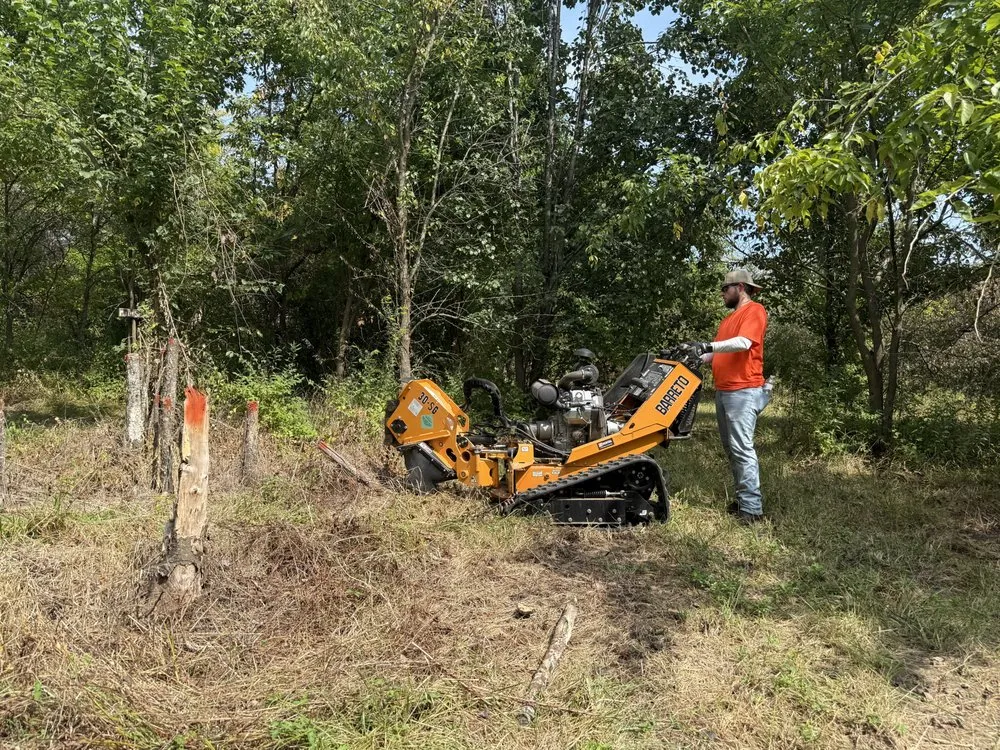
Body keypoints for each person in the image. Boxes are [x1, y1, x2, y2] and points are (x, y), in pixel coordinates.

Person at [685, 269, 769, 525]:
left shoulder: (754, 311)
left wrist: (707, 346)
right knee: (732, 449)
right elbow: (716, 352)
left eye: (725, 288)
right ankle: (744, 501)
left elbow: (743, 343)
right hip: (725, 391)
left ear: (740, 287)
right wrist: (693, 357)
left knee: (742, 449)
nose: (722, 293)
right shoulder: (727, 321)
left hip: (744, 391)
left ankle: (752, 510)